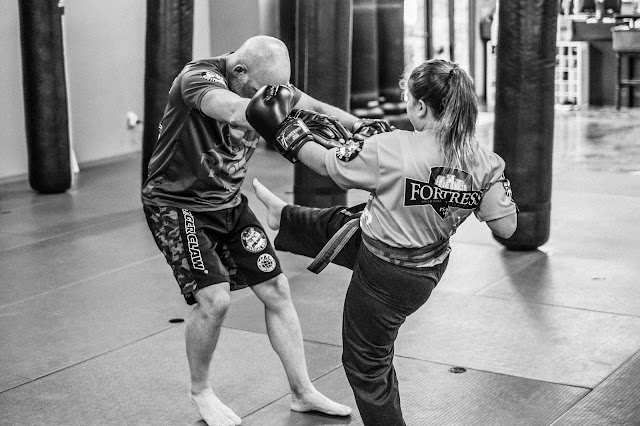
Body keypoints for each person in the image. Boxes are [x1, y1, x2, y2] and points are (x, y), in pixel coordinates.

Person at [246, 58, 518, 425]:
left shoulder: (392, 148)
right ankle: (285, 217)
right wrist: (481, 189)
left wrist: (283, 131)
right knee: (347, 222)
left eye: (409, 98)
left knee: (366, 364)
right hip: (426, 267)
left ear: (420, 106)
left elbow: (328, 166)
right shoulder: (485, 162)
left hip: (384, 276)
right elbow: (506, 228)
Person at [141, 35, 363, 426]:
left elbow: (316, 108)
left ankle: (302, 392)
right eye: (266, 91)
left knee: (277, 289)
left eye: (278, 90)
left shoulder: (271, 89)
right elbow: (230, 109)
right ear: (239, 71)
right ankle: (201, 391)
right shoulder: (198, 77)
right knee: (215, 300)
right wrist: (274, 112)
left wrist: (361, 128)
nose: (275, 97)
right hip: (178, 206)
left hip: (228, 202)